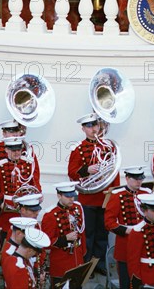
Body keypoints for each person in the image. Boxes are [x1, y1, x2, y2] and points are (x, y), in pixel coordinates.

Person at [67, 113, 120, 277]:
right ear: (83, 129)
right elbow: (71, 173)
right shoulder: (78, 148)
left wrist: (115, 193)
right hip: (88, 198)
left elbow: (114, 171)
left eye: (95, 125)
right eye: (89, 126)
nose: (93, 129)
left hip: (104, 197)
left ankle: (100, 263)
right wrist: (87, 170)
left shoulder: (108, 147)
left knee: (102, 234)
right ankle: (87, 265)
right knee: (88, 234)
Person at [0, 136, 41, 243]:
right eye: (13, 150)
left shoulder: (28, 163)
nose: (17, 153)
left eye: (19, 150)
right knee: (7, 244)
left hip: (26, 209)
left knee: (27, 243)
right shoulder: (0, 166)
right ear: (6, 150)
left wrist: (38, 196)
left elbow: (35, 184)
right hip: (8, 211)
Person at [104, 166, 151, 289]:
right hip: (126, 241)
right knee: (126, 281)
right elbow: (109, 222)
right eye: (135, 179)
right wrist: (126, 230)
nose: (139, 182)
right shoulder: (117, 196)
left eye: (140, 179)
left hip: (145, 242)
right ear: (127, 178)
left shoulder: (146, 194)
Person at [41, 182, 86, 287]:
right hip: (61, 260)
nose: (71, 199)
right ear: (59, 196)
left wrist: (83, 254)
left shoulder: (77, 208)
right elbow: (46, 242)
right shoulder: (50, 215)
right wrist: (64, 239)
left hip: (77, 257)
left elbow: (82, 232)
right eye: (67, 196)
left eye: (73, 196)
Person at [127, 194, 154, 289]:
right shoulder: (138, 231)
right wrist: (137, 281)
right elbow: (133, 261)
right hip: (147, 275)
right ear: (145, 211)